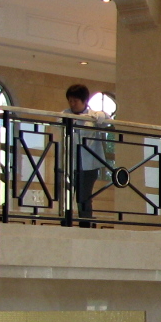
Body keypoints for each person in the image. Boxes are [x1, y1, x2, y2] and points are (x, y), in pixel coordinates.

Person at [62, 84, 113, 227]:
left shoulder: (94, 115)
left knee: (84, 196)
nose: (72, 104)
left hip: (89, 163)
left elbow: (106, 119)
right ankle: (67, 222)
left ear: (84, 101)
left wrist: (95, 116)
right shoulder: (65, 114)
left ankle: (85, 224)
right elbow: (57, 121)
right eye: (70, 101)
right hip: (71, 162)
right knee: (68, 195)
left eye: (75, 101)